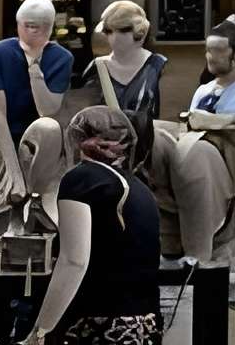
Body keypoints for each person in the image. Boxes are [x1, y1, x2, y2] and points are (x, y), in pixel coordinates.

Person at [30, 106, 161, 345]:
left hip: (100, 326)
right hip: (145, 326)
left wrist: (41, 330)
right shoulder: (141, 189)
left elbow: (73, 261)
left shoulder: (81, 180)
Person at [0, 0, 72, 219]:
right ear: (18, 25)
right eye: (27, 25)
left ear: (50, 28)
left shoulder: (62, 58)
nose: (33, 31)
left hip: (35, 140)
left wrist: (35, 70)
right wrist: (14, 173)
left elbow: (48, 110)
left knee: (49, 128)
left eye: (39, 26)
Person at [81, 3, 166, 168]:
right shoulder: (96, 68)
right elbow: (84, 118)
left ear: (138, 32)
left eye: (120, 30)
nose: (113, 37)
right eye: (108, 31)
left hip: (145, 149)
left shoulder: (156, 65)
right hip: (104, 152)